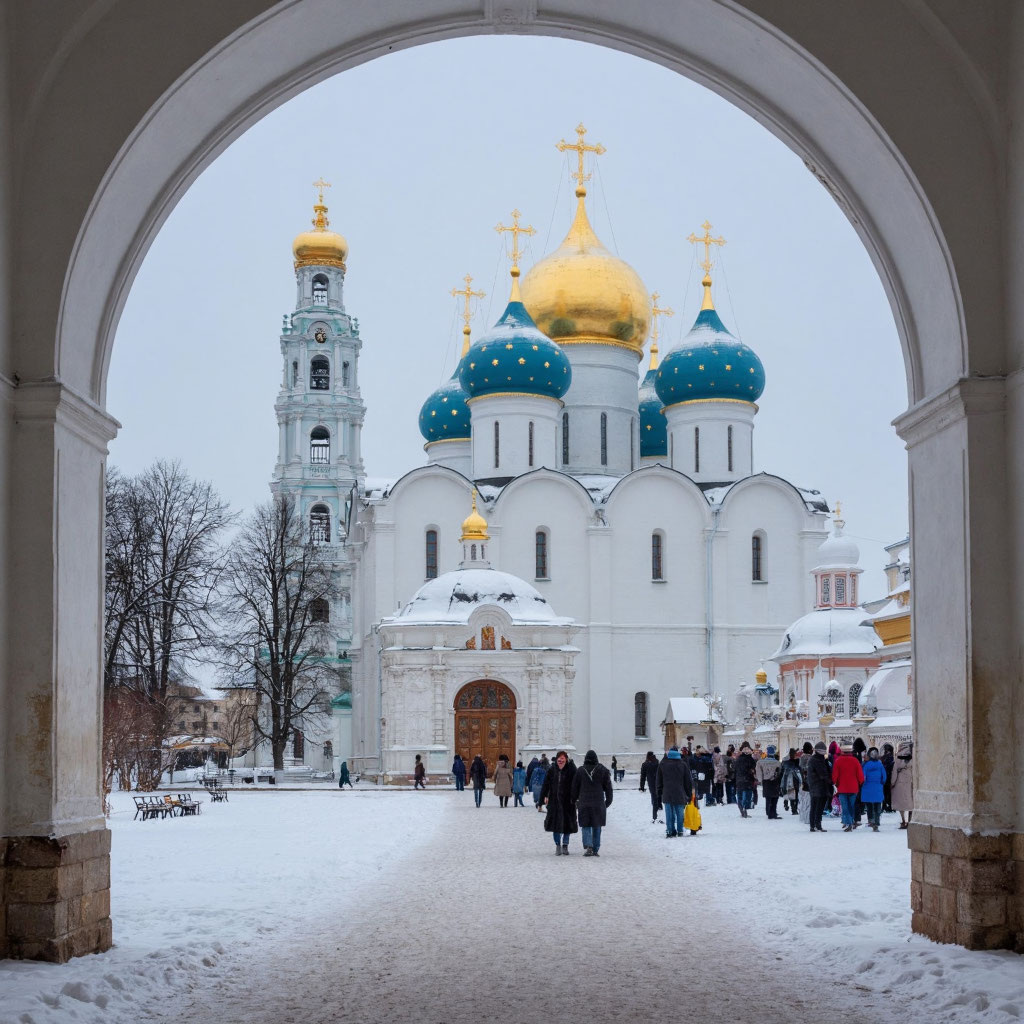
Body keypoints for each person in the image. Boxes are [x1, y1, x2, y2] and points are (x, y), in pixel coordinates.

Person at [572, 749, 613, 856]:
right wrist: (607, 802)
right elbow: (608, 788)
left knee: (585, 825)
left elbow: (575, 787)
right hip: (598, 803)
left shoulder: (580, 771)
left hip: (584, 802)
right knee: (597, 825)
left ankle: (588, 846)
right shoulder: (603, 770)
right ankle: (596, 848)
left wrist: (574, 800)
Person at [541, 750, 578, 854]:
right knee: (555, 825)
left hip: (568, 802)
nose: (560, 760)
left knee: (568, 825)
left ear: (566, 759)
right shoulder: (552, 770)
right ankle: (558, 845)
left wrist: (576, 798)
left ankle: (565, 845)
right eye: (559, 758)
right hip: (554, 803)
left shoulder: (571, 769)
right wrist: (541, 799)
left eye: (563, 758)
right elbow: (545, 785)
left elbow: (576, 784)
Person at [657, 745, 693, 837]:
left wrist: (659, 791)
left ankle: (670, 831)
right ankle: (680, 830)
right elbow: (688, 781)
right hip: (680, 792)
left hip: (667, 793)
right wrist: (689, 794)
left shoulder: (663, 764)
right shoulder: (683, 765)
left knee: (669, 814)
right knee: (680, 813)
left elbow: (659, 780)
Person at [832, 744, 864, 831]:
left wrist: (835, 782)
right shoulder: (855, 761)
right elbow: (860, 775)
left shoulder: (838, 761)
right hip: (853, 788)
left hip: (842, 788)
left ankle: (848, 822)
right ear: (850, 751)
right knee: (851, 806)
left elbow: (835, 776)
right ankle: (850, 821)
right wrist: (860, 783)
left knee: (845, 806)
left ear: (842, 751)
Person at [807, 741, 833, 832]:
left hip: (818, 787)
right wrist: (830, 781)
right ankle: (815, 825)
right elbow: (823, 774)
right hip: (818, 787)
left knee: (817, 807)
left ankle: (816, 824)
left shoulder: (817, 760)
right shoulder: (817, 760)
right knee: (817, 807)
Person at [861, 747, 886, 831]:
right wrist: (882, 782)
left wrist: (863, 784)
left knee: (869, 805)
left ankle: (871, 820)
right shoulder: (880, 764)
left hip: (868, 787)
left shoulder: (867, 765)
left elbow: (863, 777)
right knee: (877, 805)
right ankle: (877, 820)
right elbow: (884, 776)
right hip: (878, 787)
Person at [891, 740, 914, 828]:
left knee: (901, 804)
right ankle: (910, 820)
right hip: (910, 783)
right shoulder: (912, 759)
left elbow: (894, 773)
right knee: (911, 803)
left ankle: (903, 821)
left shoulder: (898, 759)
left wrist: (892, 783)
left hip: (899, 784)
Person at [755, 745, 783, 818]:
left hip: (766, 782)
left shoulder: (760, 762)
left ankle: (768, 811)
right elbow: (780, 772)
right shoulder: (777, 763)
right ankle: (773, 812)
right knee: (775, 797)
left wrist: (760, 780)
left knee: (768, 798)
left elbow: (759, 772)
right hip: (775, 782)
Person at [734, 742, 757, 818]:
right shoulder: (751, 760)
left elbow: (735, 769)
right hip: (748, 780)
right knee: (746, 795)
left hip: (739, 780)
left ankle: (742, 810)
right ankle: (744, 808)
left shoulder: (738, 759)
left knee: (740, 796)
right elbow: (753, 770)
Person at [640, 751, 662, 823]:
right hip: (659, 783)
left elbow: (643, 776)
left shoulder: (645, 764)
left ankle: (655, 816)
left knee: (654, 798)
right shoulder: (657, 762)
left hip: (651, 783)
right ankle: (659, 807)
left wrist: (642, 786)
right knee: (658, 796)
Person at [780, 748, 801, 815]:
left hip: (786, 778)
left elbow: (782, 770)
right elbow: (799, 769)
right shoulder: (797, 761)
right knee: (794, 794)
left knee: (787, 791)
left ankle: (786, 803)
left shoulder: (784, 760)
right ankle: (794, 809)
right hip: (794, 779)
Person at [881, 742, 895, 813]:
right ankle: (888, 805)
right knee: (888, 792)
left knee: (886, 792)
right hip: (888, 777)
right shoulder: (890, 758)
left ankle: (886, 805)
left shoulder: (885, 758)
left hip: (886, 777)